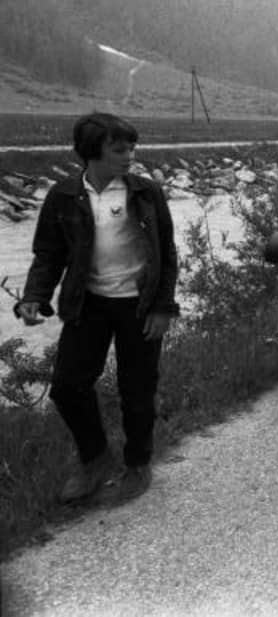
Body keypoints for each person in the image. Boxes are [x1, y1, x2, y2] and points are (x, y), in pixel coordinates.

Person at [15, 113, 178, 504]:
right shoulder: (64, 195)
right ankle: (95, 460)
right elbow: (48, 254)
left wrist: (162, 307)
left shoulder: (145, 192)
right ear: (92, 153)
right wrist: (34, 296)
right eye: (119, 150)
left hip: (138, 305)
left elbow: (166, 254)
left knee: (137, 391)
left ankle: (137, 465)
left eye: (131, 148)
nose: (129, 156)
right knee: (68, 388)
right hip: (88, 303)